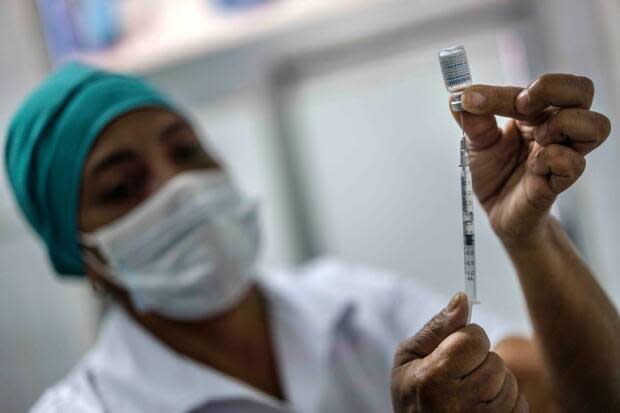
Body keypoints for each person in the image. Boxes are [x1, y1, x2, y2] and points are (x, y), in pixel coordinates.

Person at [4, 63, 619, 413]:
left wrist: (531, 236)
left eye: (186, 151)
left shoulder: (351, 308)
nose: (179, 188)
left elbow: (593, 400)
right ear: (86, 256)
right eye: (122, 188)